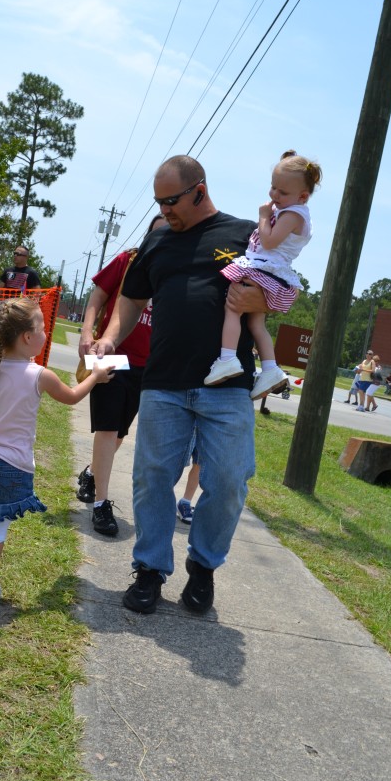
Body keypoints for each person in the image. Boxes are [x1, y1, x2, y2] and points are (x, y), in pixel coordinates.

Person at [93, 154, 267, 615]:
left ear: (199, 190)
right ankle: (149, 570)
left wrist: (264, 297)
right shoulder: (158, 243)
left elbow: (285, 286)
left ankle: (203, 567)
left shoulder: (245, 234)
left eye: (171, 201)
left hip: (226, 385)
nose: (165, 210)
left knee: (229, 481)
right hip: (164, 383)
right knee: (152, 478)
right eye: (159, 202)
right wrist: (111, 338)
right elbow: (131, 297)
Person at [0, 298, 114, 610]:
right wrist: (96, 378)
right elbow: (72, 397)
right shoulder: (39, 375)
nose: (46, 333)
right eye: (43, 328)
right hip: (11, 465)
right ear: (26, 338)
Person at [204, 150, 322, 398]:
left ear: (302, 196)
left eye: (282, 192)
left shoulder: (293, 214)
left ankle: (227, 358)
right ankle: (270, 368)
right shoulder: (292, 211)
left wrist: (263, 217)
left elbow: (268, 241)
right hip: (270, 271)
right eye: (273, 187)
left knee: (232, 308)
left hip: (263, 268)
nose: (274, 195)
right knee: (256, 322)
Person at [76, 214, 167, 536]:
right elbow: (97, 297)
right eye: (157, 233)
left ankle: (91, 474)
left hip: (149, 365)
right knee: (106, 427)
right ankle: (101, 505)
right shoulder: (127, 261)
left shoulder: (174, 271)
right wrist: (87, 332)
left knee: (119, 434)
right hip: (110, 354)